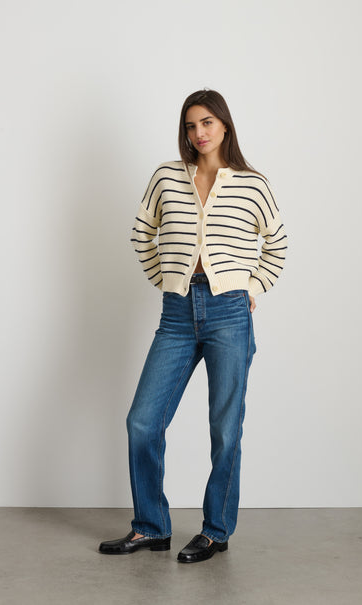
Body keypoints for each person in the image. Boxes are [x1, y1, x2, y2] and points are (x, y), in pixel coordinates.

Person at [98, 88, 287, 563]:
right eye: (190, 125)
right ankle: (151, 527)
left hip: (229, 315)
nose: (199, 132)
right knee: (142, 422)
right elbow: (142, 232)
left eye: (207, 122)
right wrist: (166, 278)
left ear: (225, 125)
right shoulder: (167, 177)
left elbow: (277, 245)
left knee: (225, 429)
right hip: (177, 314)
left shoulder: (252, 184)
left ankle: (216, 531)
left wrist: (252, 287)